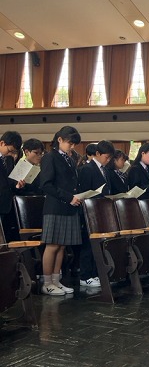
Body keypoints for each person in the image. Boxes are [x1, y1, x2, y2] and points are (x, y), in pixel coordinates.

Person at [38, 126, 82, 295]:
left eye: (74, 144)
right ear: (60, 140)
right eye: (70, 143)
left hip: (68, 206)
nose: (72, 147)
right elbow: (46, 184)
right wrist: (68, 197)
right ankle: (47, 283)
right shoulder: (50, 157)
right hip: (55, 206)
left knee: (62, 246)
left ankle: (56, 281)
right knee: (52, 245)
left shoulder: (69, 158)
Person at [77, 140, 115, 287]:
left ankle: (94, 273)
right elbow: (84, 191)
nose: (108, 160)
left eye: (110, 158)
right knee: (88, 245)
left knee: (98, 245)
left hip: (102, 210)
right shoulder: (87, 169)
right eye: (106, 157)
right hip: (89, 212)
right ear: (97, 154)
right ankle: (85, 275)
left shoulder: (105, 170)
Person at [0, 130, 24, 242]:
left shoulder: (9, 160)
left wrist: (17, 185)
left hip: (6, 205)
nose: (11, 154)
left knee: (5, 240)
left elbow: (9, 181)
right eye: (10, 151)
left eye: (14, 152)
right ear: (2, 143)